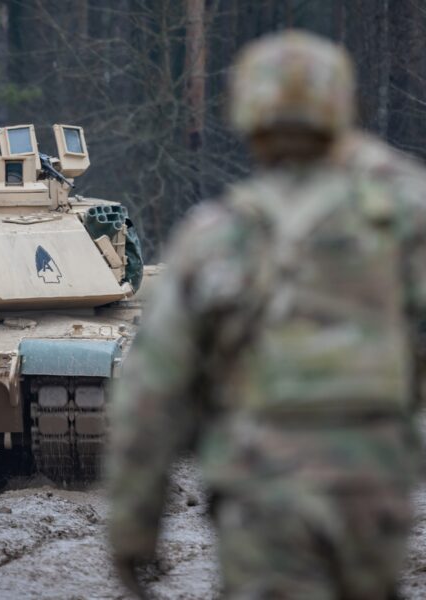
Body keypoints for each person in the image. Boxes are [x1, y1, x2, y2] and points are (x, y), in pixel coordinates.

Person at [108, 30, 426, 599]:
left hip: (260, 490)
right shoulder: (405, 214)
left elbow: (151, 393)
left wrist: (135, 524)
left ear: (249, 113)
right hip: (372, 486)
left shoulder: (219, 233)